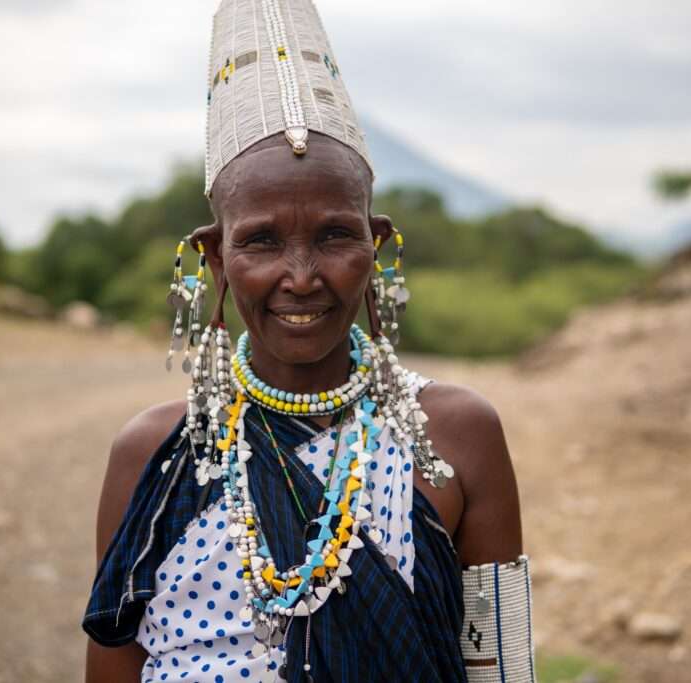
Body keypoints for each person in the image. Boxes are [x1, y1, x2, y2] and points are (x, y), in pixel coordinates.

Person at [83, 2, 534, 681]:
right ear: (214, 260)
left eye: (334, 236)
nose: (301, 277)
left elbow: (503, 668)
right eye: (262, 241)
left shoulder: (461, 434)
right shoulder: (152, 456)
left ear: (375, 246)